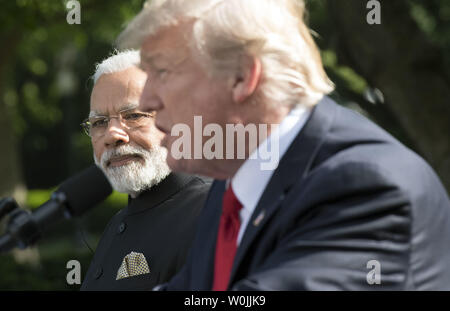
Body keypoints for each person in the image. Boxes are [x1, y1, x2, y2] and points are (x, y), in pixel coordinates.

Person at [117, 0, 450, 290]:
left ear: (243, 76)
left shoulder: (367, 185)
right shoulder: (232, 182)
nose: (147, 100)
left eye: (161, 72)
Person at [79, 50, 211, 291]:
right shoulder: (117, 224)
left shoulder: (213, 213)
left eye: (134, 116)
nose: (111, 135)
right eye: (99, 122)